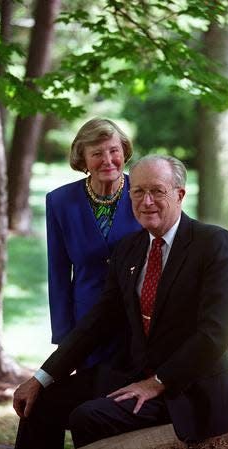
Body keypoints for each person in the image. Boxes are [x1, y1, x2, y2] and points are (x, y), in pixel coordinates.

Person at [13, 155, 228, 449]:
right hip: (131, 375)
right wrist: (41, 378)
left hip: (186, 390)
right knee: (39, 401)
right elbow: (96, 324)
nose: (146, 201)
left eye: (157, 191)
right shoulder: (128, 250)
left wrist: (157, 382)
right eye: (138, 191)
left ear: (180, 194)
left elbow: (215, 334)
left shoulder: (212, 243)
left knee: (89, 417)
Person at [45, 118, 141, 366]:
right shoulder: (60, 202)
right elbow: (58, 272)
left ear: (124, 152)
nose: (108, 160)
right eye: (97, 153)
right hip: (86, 324)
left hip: (139, 322)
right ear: (83, 159)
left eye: (114, 151)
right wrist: (65, 338)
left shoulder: (143, 190)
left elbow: (180, 235)